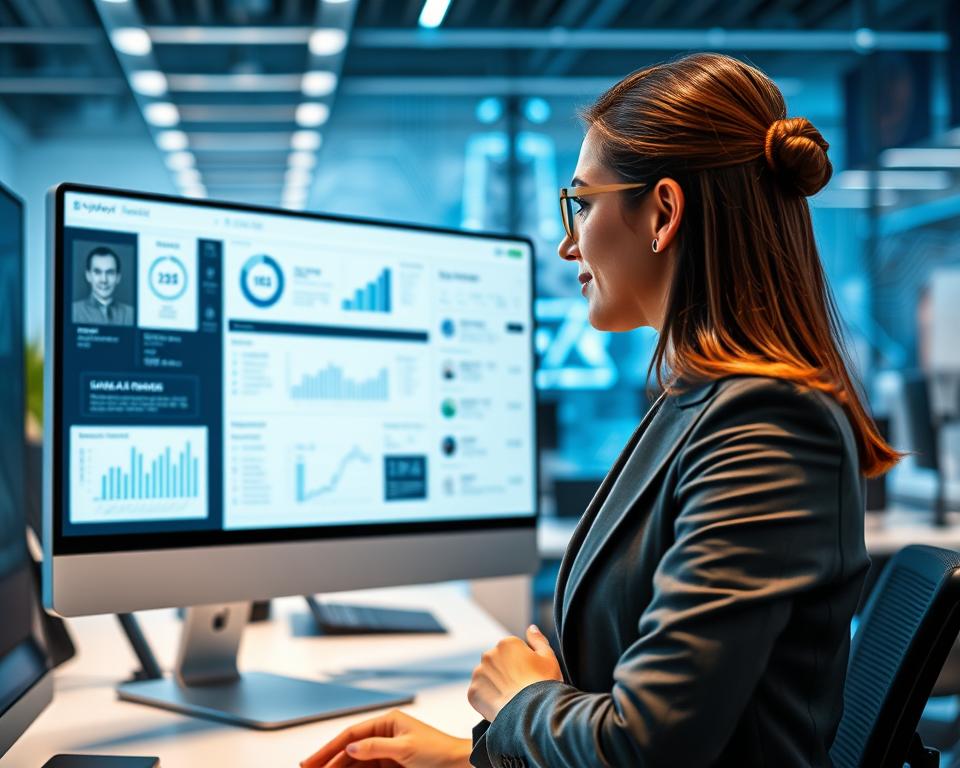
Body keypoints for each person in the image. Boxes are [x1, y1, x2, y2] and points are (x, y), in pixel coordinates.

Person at [301, 52, 903, 768]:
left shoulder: (766, 425)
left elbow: (648, 746)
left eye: (582, 204)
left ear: (663, 213)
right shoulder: (699, 402)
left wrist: (518, 701)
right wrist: (470, 759)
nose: (567, 243)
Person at [71, 246, 134, 326]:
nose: (104, 280)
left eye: (110, 272)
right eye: (97, 272)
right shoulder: (72, 311)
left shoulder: (132, 314)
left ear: (118, 277)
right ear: (88, 276)